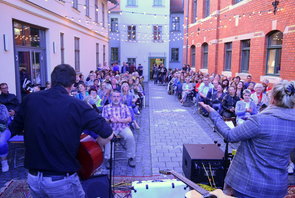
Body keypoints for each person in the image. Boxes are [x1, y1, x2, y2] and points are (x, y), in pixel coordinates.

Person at [8, 64, 114, 198]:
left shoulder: (29, 99)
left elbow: (12, 129)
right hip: (62, 181)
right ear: (72, 84)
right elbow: (108, 133)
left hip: (33, 178)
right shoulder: (77, 105)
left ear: (52, 81)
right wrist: (97, 146)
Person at [199, 80, 295, 198]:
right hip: (277, 186)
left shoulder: (260, 121)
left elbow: (231, 136)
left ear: (273, 98)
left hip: (250, 185)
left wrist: (213, 113)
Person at [102, 90, 136, 168]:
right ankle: (108, 158)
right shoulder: (106, 107)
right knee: (108, 138)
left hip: (123, 127)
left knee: (130, 137)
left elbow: (129, 119)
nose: (116, 98)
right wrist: (110, 120)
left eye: (118, 96)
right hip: (111, 128)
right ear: (111, 97)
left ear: (120, 97)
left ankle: (131, 157)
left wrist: (120, 120)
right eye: (114, 96)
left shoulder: (125, 107)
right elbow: (103, 120)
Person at [0, 104, 11, 172]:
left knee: (1, 142)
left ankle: (4, 161)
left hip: (3, 129)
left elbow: (5, 120)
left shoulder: (2, 107)